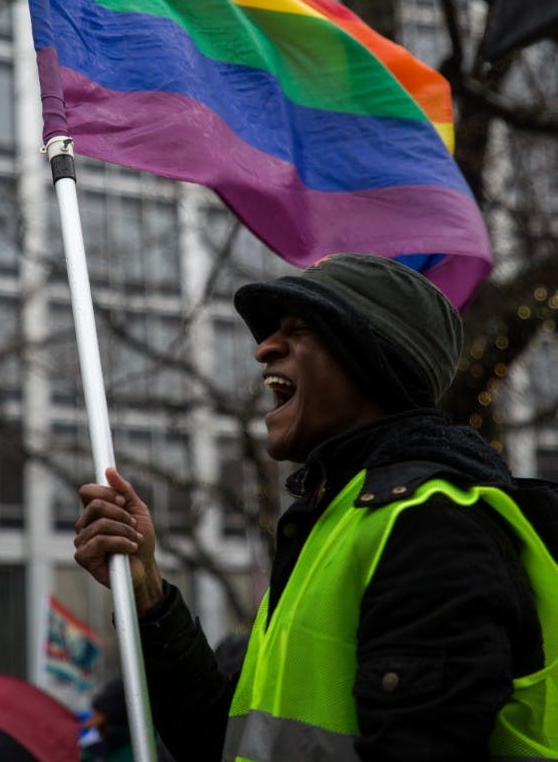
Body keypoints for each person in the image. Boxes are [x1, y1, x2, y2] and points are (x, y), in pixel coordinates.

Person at [74, 254, 558, 761]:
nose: (263, 349)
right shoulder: (332, 522)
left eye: (299, 328)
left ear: (372, 359)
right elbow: (225, 745)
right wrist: (147, 593)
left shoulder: (431, 524)